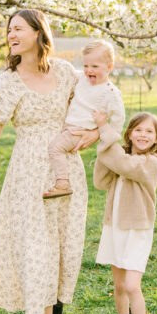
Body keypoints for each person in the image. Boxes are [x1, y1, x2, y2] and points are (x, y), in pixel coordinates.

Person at [0, 9, 98, 314]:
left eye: (18, 29)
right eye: (8, 30)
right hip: (27, 176)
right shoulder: (7, 84)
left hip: (66, 171)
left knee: (64, 248)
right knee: (38, 252)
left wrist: (91, 136)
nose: (11, 35)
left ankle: (57, 312)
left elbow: (97, 104)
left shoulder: (66, 73)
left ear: (40, 33)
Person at [92, 110, 157, 314]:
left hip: (137, 230)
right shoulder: (120, 157)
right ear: (129, 134)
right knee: (119, 285)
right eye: (138, 130)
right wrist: (106, 150)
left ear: (156, 139)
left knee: (133, 286)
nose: (143, 135)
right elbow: (100, 181)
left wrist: (104, 131)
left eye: (149, 131)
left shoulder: (151, 162)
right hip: (115, 228)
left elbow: (125, 166)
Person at [43, 39, 125, 199]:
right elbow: (68, 71)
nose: (89, 70)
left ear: (109, 67)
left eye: (95, 66)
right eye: (86, 65)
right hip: (69, 127)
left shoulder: (110, 93)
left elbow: (118, 118)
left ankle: (62, 183)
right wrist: (49, 61)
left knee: (55, 148)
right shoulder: (82, 79)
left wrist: (104, 134)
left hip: (79, 131)